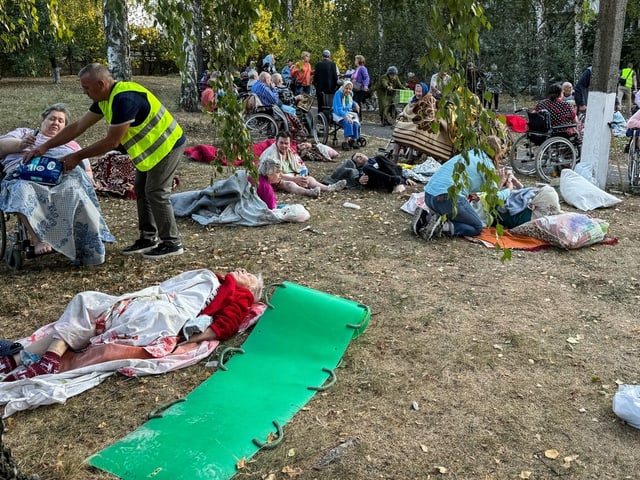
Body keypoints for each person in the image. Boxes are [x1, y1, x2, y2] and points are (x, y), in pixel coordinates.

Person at [25, 64, 186, 260]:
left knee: (155, 192)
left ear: (101, 84)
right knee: (141, 190)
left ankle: (172, 243)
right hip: (149, 150)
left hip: (167, 144)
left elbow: (112, 142)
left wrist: (77, 156)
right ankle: (148, 238)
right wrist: (44, 146)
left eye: (86, 88)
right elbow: (77, 127)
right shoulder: (105, 99)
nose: (84, 93)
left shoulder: (124, 100)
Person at [0, 268, 263, 381]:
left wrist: (183, 340)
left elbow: (225, 327)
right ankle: (32, 359)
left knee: (87, 307)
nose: (242, 270)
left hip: (163, 313)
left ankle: (33, 360)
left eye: (248, 275)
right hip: (150, 301)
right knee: (85, 304)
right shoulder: (220, 281)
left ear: (250, 288)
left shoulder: (240, 294)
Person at [0, 103, 114, 265]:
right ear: (43, 120)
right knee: (21, 191)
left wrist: (87, 182)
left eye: (61, 121)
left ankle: (85, 246)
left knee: (75, 192)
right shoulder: (24, 133)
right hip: (25, 176)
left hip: (61, 178)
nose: (56, 123)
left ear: (66, 127)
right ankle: (38, 240)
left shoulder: (71, 145)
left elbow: (87, 171)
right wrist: (20, 145)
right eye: (52, 118)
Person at [412, 135, 513, 239]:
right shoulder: (487, 165)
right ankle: (443, 227)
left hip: (429, 196)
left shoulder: (469, 154)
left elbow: (479, 186)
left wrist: (498, 183)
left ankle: (425, 218)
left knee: (458, 216)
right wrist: (509, 189)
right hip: (448, 199)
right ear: (497, 152)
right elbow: (494, 198)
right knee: (477, 227)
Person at [258, 131, 346, 198]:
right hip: (277, 179)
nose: (284, 146)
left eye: (286, 143)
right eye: (281, 143)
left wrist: (302, 175)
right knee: (289, 184)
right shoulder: (270, 155)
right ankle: (309, 193)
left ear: (289, 143)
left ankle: (329, 188)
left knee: (309, 179)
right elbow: (273, 175)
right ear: (276, 142)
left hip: (292, 174)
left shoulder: (290, 151)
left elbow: (299, 164)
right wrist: (294, 179)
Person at [323, 152, 414, 194]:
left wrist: (405, 178)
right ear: (357, 164)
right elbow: (356, 176)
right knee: (367, 168)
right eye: (357, 158)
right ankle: (396, 181)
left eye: (360, 154)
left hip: (391, 174)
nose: (360, 156)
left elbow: (392, 167)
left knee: (380, 157)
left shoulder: (376, 159)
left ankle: (397, 182)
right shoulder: (362, 168)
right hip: (378, 180)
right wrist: (359, 179)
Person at [390, 82, 430, 161]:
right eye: (416, 91)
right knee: (398, 132)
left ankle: (410, 158)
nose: (417, 94)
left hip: (418, 126)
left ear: (424, 92)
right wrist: (402, 116)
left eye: (420, 92)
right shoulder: (412, 100)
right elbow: (406, 111)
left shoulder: (426, 102)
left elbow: (426, 117)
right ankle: (395, 157)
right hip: (408, 124)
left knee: (411, 132)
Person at [332, 81, 361, 151]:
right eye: (346, 88)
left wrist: (355, 104)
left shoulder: (350, 94)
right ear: (343, 88)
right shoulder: (338, 94)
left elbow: (351, 102)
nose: (348, 90)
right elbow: (338, 109)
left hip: (347, 112)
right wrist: (346, 116)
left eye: (350, 89)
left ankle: (353, 140)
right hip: (338, 113)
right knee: (348, 122)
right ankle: (345, 142)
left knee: (355, 123)